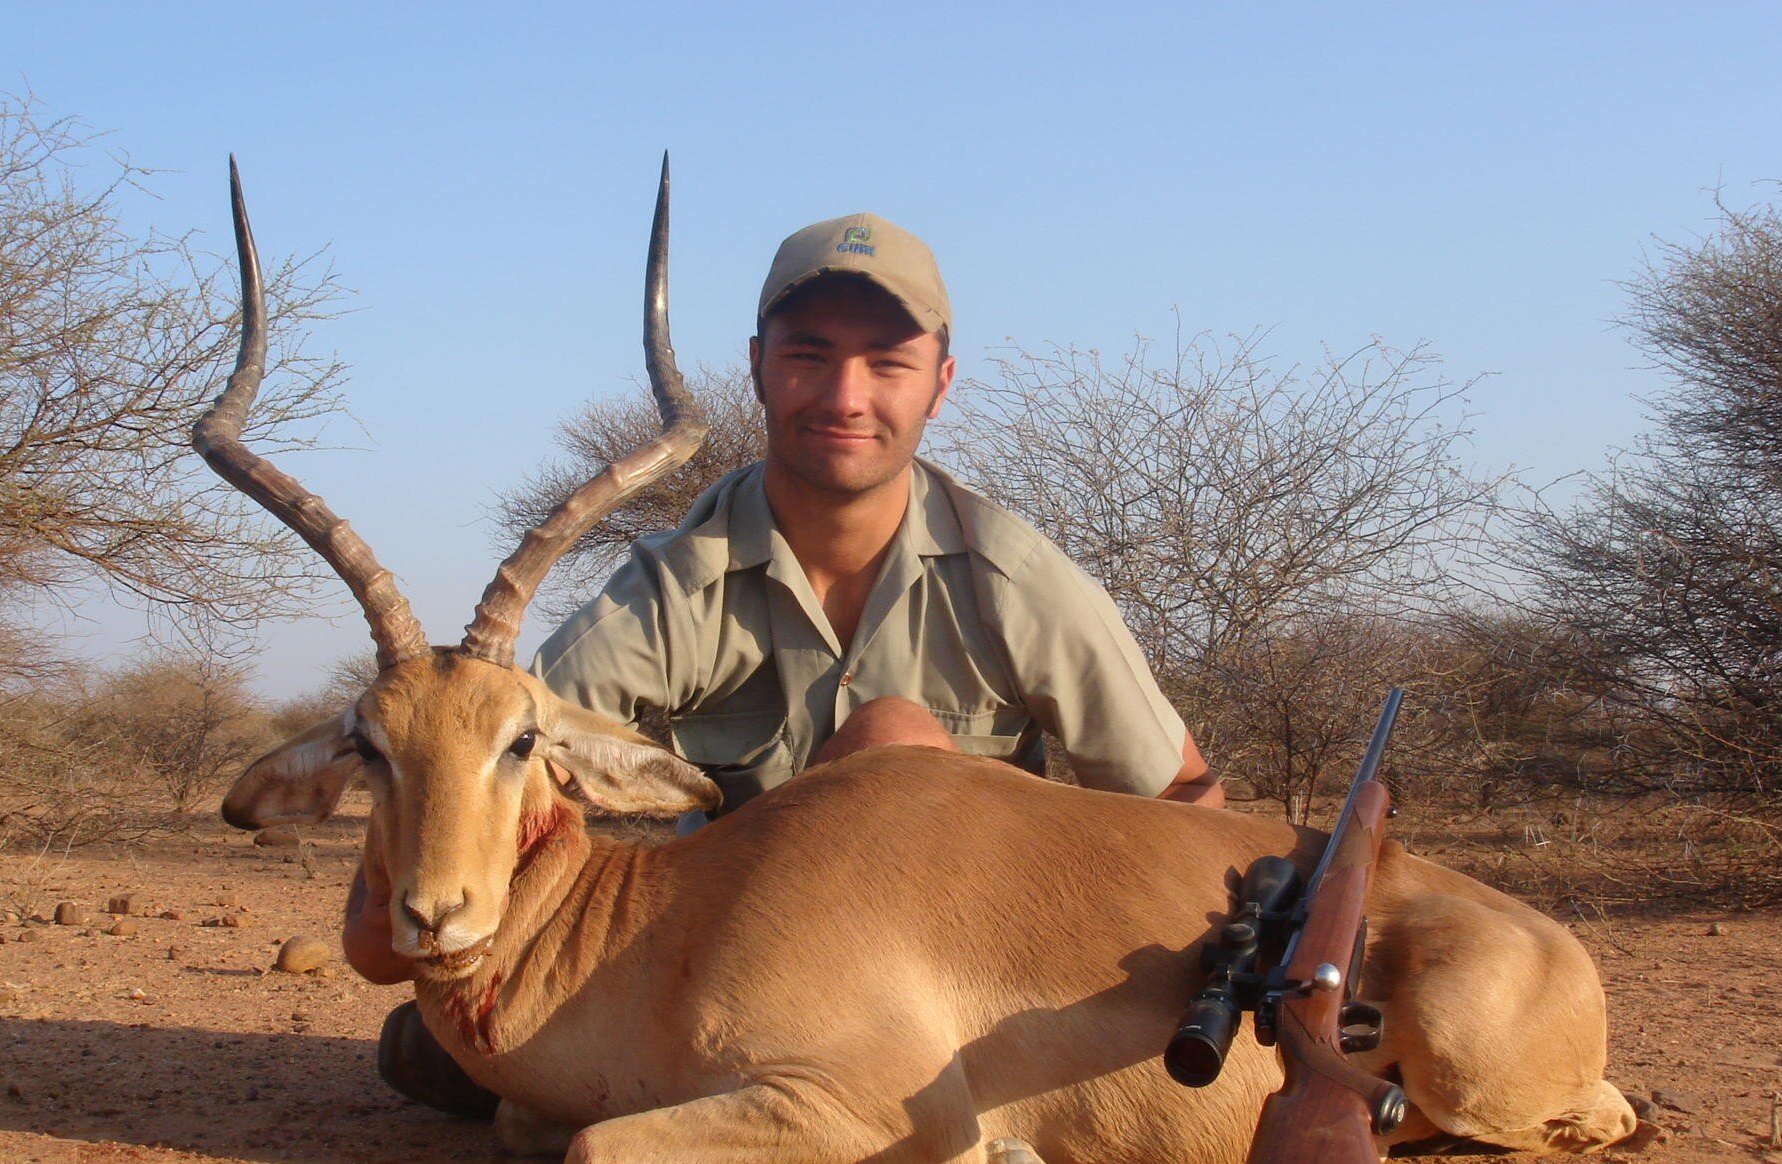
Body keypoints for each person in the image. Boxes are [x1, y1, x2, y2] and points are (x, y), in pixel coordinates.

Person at [378, 210, 1222, 1115]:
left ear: (940, 383)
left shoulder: (1018, 578)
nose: (845, 397)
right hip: (733, 975)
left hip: (944, 988)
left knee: (894, 736)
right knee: (433, 1048)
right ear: (757, 368)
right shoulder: (672, 586)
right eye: (808, 357)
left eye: (888, 363)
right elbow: (490, 747)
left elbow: (1187, 807)